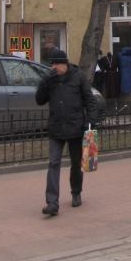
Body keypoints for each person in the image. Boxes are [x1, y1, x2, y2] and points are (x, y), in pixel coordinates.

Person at [35, 48, 99, 217]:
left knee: (76, 164)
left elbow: (90, 101)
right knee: (53, 163)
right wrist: (44, 82)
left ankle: (76, 192)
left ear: (64, 64)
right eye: (52, 65)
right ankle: (52, 203)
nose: (53, 68)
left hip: (75, 127)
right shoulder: (51, 80)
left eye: (55, 64)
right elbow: (39, 100)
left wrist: (90, 121)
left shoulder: (78, 77)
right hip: (56, 128)